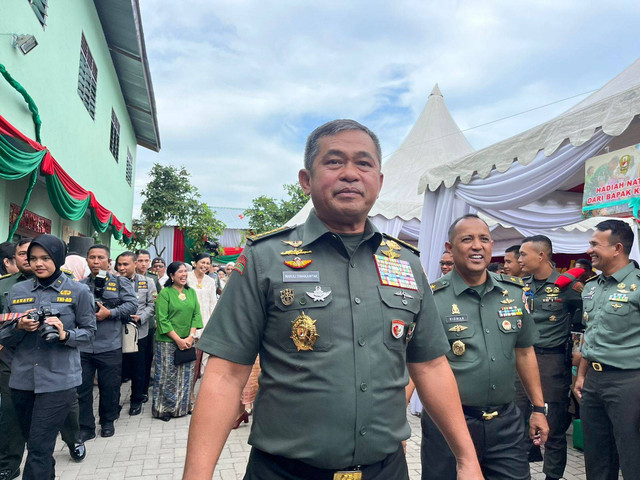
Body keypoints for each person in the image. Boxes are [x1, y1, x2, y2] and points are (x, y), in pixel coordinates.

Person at [183, 119, 483, 480]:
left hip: (385, 471)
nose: (350, 174)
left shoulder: (406, 263)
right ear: (306, 179)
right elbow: (226, 374)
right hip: (285, 473)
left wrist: (467, 459)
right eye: (334, 161)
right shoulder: (265, 257)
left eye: (364, 163)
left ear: (380, 181)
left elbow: (431, 366)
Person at [423, 214, 549, 480]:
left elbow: (525, 352)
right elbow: (419, 363)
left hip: (506, 424)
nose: (476, 246)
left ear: (492, 246)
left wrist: (538, 409)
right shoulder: (431, 299)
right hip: (448, 426)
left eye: (483, 239)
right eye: (467, 239)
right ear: (450, 248)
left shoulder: (513, 293)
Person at [0, 234, 96, 480]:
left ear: (58, 257)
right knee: (36, 446)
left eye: (45, 258)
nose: (38, 264)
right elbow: (4, 336)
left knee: (39, 448)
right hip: (21, 380)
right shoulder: (17, 291)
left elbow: (89, 334)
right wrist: (18, 327)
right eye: (32, 259)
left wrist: (65, 334)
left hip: (58, 380)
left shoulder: (78, 291)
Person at [574, 219, 640, 479]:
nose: (589, 249)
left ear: (617, 248)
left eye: (594, 244)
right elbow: (591, 337)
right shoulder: (591, 287)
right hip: (593, 382)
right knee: (597, 458)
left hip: (630, 382)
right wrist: (581, 375)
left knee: (633, 457)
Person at [518, 235, 581, 480]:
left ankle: (552, 476)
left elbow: (588, 320)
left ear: (541, 255)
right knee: (519, 421)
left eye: (524, 254)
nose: (520, 259)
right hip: (521, 361)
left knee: (553, 427)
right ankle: (519, 473)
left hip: (551, 363)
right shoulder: (521, 286)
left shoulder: (569, 288)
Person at [76, 244, 137, 439]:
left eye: (100, 257)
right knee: (82, 388)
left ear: (108, 261)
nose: (96, 261)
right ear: (87, 260)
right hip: (83, 346)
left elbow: (132, 304)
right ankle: (86, 426)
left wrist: (110, 313)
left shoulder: (119, 283)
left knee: (109, 387)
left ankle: (108, 421)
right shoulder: (80, 285)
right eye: (92, 257)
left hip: (110, 344)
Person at [153, 261, 202, 421]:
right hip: (168, 341)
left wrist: (190, 337)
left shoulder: (191, 293)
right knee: (167, 375)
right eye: (179, 272)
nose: (183, 274)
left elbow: (196, 315)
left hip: (188, 340)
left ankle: (184, 407)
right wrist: (178, 340)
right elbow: (162, 319)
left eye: (185, 272)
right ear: (172, 276)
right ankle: (164, 409)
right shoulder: (165, 293)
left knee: (186, 375)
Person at [0, 238, 32, 480]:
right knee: (10, 412)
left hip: (51, 361)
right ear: (14, 258)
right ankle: (10, 463)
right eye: (23, 254)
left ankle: (73, 439)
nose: (29, 259)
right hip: (10, 359)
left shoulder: (66, 284)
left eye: (36, 254)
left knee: (60, 411)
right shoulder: (4, 286)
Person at [115, 251, 156, 415]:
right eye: (119, 264)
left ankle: (136, 400)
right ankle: (113, 402)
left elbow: (152, 305)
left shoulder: (148, 282)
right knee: (117, 370)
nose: (122, 267)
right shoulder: (111, 281)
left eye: (126, 264)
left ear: (134, 264)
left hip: (140, 331)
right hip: (116, 331)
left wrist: (141, 317)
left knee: (139, 368)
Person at [186, 254, 217, 384]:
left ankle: (195, 391)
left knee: (201, 359)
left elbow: (213, 303)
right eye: (202, 262)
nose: (204, 266)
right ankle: (188, 390)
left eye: (207, 263)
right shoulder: (186, 277)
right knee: (189, 359)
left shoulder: (210, 281)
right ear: (195, 263)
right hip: (188, 322)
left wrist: (213, 324)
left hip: (205, 322)